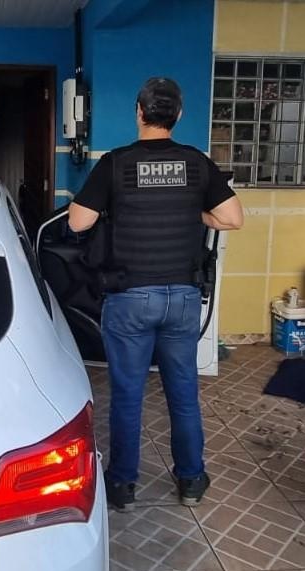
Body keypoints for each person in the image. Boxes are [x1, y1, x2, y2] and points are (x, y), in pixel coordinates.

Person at [67, 77, 243, 512]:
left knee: (128, 394)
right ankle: (191, 480)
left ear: (139, 112)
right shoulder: (196, 163)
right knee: (183, 392)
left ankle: (123, 485)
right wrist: (195, 212)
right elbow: (232, 218)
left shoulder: (116, 163)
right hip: (182, 299)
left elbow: (77, 223)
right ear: (178, 115)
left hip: (129, 298)